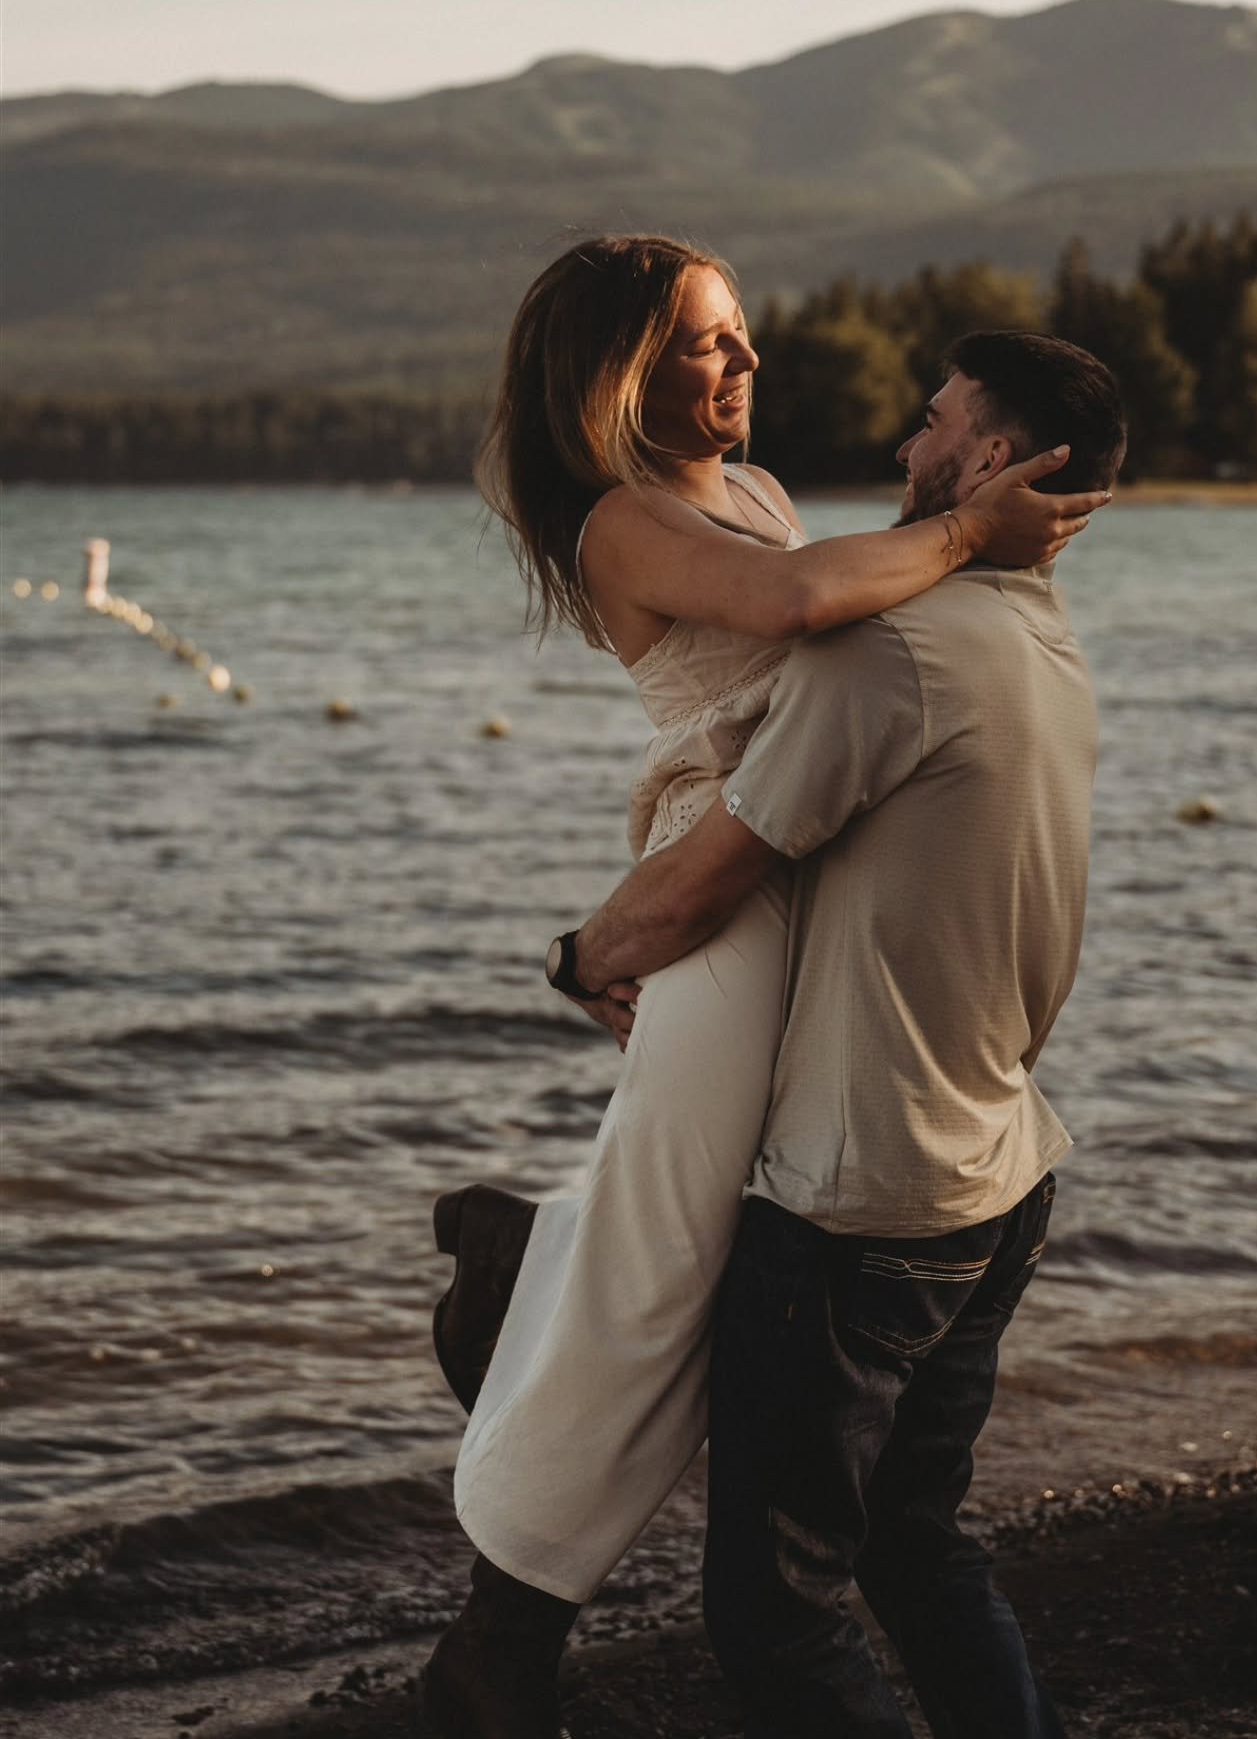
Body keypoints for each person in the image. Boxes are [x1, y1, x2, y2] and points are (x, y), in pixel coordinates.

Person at [424, 237, 1107, 1739]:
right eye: (709, 347)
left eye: (740, 340)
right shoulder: (620, 523)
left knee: (696, 1234)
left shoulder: (750, 489)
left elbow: (841, 611)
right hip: (723, 883)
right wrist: (975, 529)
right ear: (622, 374)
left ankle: (523, 1266)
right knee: (677, 1246)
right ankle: (512, 1581)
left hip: (783, 852)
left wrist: (959, 542)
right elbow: (804, 610)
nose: (747, 367)